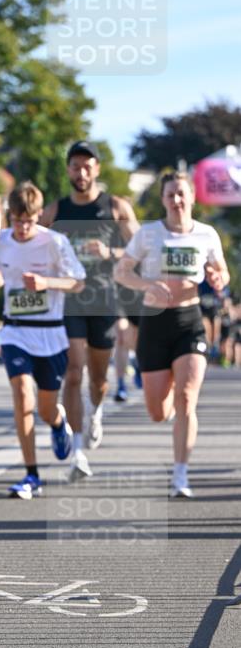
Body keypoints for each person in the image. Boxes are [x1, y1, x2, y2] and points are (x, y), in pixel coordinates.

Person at [114, 170, 229, 499]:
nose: (177, 200)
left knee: (187, 399)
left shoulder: (207, 234)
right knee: (158, 411)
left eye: (181, 193)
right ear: (163, 200)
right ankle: (169, 400)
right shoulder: (149, 234)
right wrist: (148, 284)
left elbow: (221, 271)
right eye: (170, 195)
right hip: (153, 323)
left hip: (189, 320)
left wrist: (218, 278)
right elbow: (121, 271)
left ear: (192, 197)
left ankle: (181, 474)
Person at [41, 140, 139, 480]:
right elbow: (32, 243)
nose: (81, 172)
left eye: (87, 166)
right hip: (69, 302)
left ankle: (96, 413)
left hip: (105, 302)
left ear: (96, 168)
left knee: (98, 379)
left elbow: (142, 251)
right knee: (73, 372)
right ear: (68, 169)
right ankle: (78, 453)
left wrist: (110, 251)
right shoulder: (55, 211)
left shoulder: (116, 207)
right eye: (75, 166)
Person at [0, 182, 85, 497]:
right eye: (17, 220)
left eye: (29, 220)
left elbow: (78, 283)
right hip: (15, 331)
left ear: (40, 216)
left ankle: (57, 423)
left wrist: (45, 283)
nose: (23, 227)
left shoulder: (55, 242)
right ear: (10, 216)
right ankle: (31, 475)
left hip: (51, 334)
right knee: (22, 394)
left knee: (45, 408)